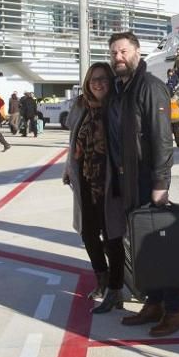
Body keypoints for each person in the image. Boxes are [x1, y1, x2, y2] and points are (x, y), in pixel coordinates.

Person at [105, 32, 179, 337]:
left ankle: (175, 311)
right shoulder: (122, 90)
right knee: (141, 248)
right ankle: (154, 302)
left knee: (160, 247)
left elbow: (163, 138)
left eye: (123, 51)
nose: (118, 57)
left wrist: (160, 183)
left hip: (148, 180)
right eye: (113, 53)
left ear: (137, 52)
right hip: (129, 180)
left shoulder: (150, 87)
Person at [62, 62, 124, 314]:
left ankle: (116, 291)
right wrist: (68, 167)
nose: (98, 83)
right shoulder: (81, 106)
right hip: (86, 179)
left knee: (113, 237)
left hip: (111, 180)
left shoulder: (118, 106)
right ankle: (102, 279)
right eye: (93, 79)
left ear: (111, 82)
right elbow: (73, 139)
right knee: (88, 233)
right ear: (87, 82)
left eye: (103, 79)